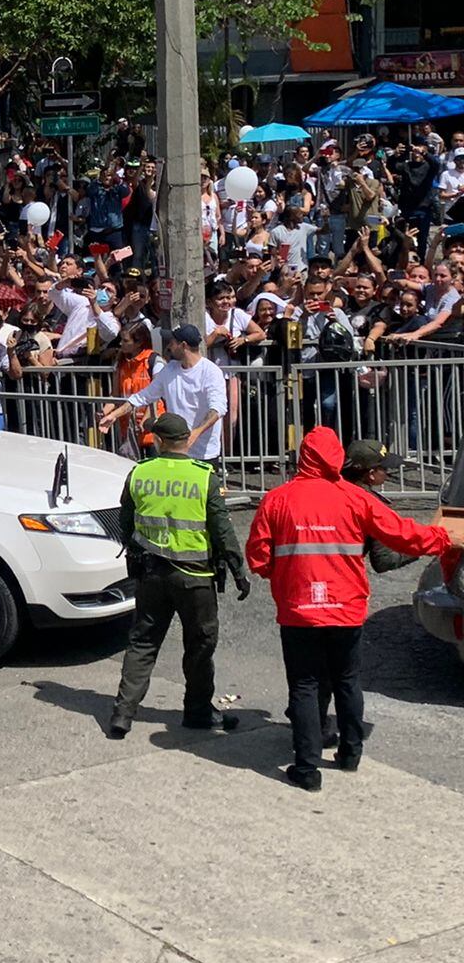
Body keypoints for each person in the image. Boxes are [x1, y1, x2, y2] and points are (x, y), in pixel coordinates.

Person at [245, 426, 462, 790]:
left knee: (304, 686)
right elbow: (401, 533)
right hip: (345, 609)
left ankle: (307, 769)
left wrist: (282, 576)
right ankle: (350, 753)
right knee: (346, 680)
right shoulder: (356, 498)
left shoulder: (277, 499)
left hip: (298, 610)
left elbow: (258, 557)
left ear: (304, 457)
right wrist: (443, 539)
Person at [106, 413, 249, 739]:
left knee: (142, 642)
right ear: (188, 439)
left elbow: (125, 521)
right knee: (199, 645)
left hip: (151, 574)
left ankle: (122, 714)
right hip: (195, 578)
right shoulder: (204, 477)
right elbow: (222, 529)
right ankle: (198, 711)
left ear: (157, 441)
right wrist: (239, 570)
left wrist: (135, 550)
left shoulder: (139, 473)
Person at [96, 324, 227, 465]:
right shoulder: (169, 369)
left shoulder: (211, 372)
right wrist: (113, 415)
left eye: (172, 342)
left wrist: (195, 433)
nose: (168, 346)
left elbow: (218, 409)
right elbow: (142, 396)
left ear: (183, 345)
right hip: (174, 452)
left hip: (204, 453)